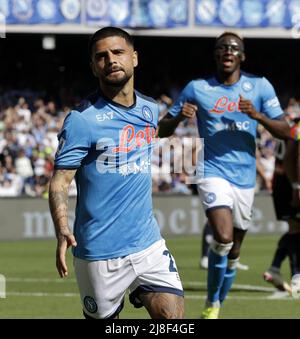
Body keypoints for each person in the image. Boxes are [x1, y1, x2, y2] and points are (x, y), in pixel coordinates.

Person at [48, 27, 184, 319]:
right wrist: (61, 229)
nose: (111, 60)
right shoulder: (82, 121)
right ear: (93, 66)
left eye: (118, 52)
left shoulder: (149, 107)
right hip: (99, 253)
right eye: (102, 56)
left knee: (173, 318)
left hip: (147, 244)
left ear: (134, 58)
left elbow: (154, 134)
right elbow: (60, 181)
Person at [158, 32, 289, 319]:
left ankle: (217, 301)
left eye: (234, 48)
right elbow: (162, 129)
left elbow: (285, 130)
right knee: (223, 236)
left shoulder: (259, 86)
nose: (228, 52)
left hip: (244, 178)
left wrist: (258, 116)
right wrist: (180, 117)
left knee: (234, 252)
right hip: (211, 171)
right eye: (222, 48)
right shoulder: (197, 88)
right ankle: (211, 302)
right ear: (216, 54)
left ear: (242, 55)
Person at [263, 118, 300, 297]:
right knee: (296, 230)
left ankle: (276, 267)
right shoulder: (297, 130)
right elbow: (293, 159)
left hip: (282, 183)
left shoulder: (291, 128)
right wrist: (296, 187)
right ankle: (297, 276)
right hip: (289, 184)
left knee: (294, 228)